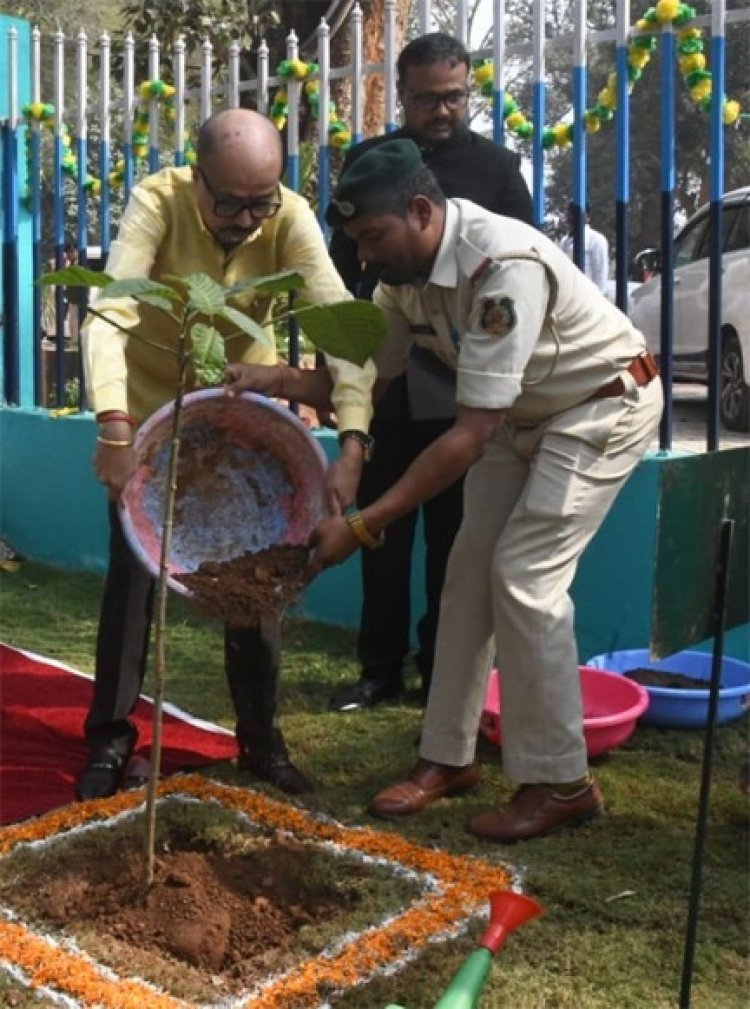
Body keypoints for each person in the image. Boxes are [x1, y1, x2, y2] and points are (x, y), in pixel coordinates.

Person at [225, 139, 663, 842]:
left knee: (522, 577)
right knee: (466, 580)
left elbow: (466, 436)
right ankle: (447, 758)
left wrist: (364, 524)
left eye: (372, 237)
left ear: (421, 210)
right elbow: (367, 377)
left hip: (600, 404)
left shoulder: (501, 267)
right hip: (521, 418)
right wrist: (274, 381)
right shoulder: (405, 280)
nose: (364, 257)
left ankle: (560, 782)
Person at [77, 108, 376, 802]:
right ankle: (110, 740)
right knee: (131, 589)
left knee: (256, 584)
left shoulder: (290, 217)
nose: (247, 219)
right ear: (196, 176)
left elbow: (339, 327)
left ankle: (261, 742)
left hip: (245, 431)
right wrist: (116, 428)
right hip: (151, 426)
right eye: (230, 203)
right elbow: (112, 310)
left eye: (260, 203)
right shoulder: (157, 201)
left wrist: (353, 440)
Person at [328, 32, 534, 712]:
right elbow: (339, 278)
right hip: (388, 379)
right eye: (425, 99)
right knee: (381, 536)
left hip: (464, 387)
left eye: (454, 98)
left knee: (455, 542)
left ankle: (439, 669)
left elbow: (524, 266)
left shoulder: (500, 169)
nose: (442, 112)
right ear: (402, 93)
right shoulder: (367, 166)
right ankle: (377, 670)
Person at [559, 202, 610, 293]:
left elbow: (600, 271)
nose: (572, 217)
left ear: (587, 217)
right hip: (568, 292)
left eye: (576, 213)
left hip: (587, 294)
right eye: (570, 213)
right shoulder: (564, 241)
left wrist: (599, 296)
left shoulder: (596, 239)